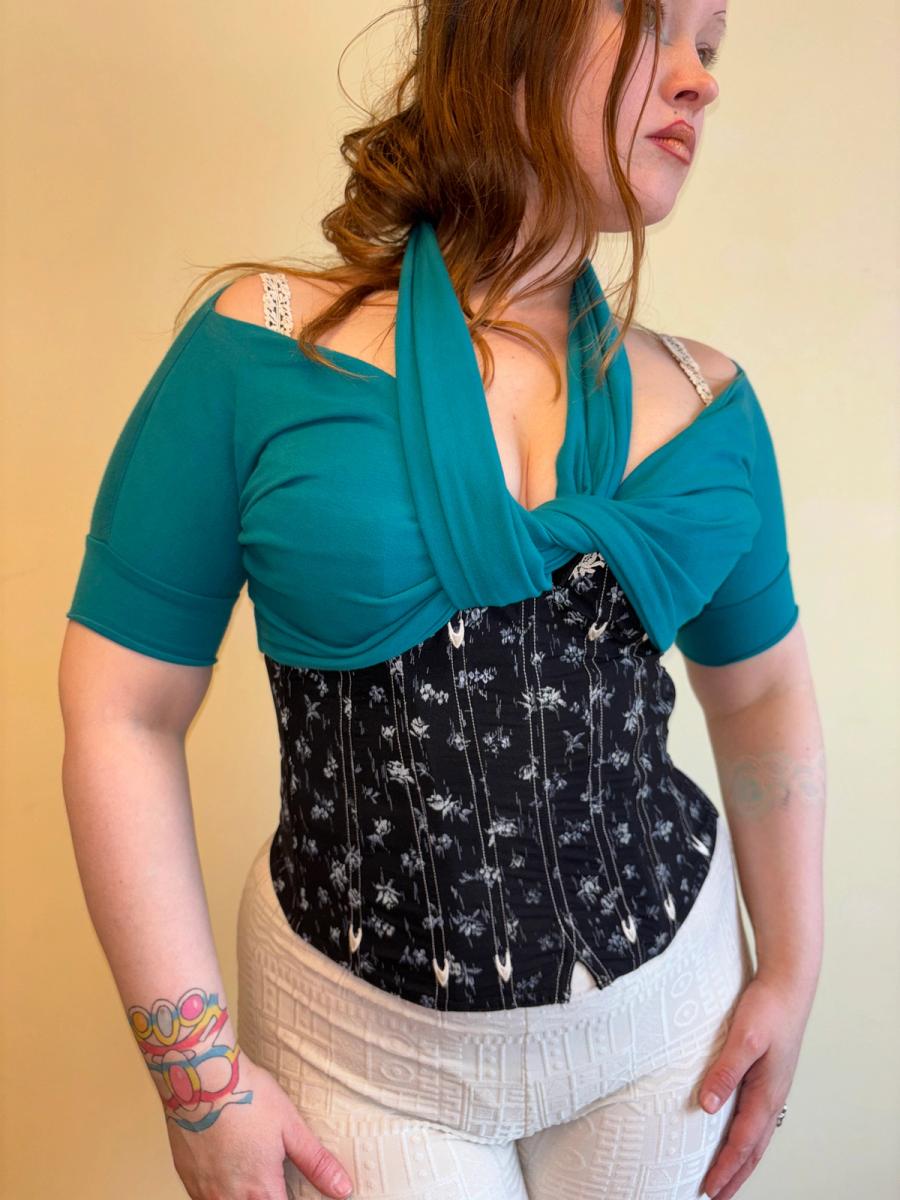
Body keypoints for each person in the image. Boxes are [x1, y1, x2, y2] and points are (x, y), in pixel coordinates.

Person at [58, 2, 826, 1199]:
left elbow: (764, 697)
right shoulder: (257, 352)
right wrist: (194, 1078)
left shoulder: (711, 402)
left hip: (671, 1033)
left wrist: (793, 968)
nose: (699, 80)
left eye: (710, 47)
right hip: (355, 1052)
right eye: (658, 27)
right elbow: (120, 711)